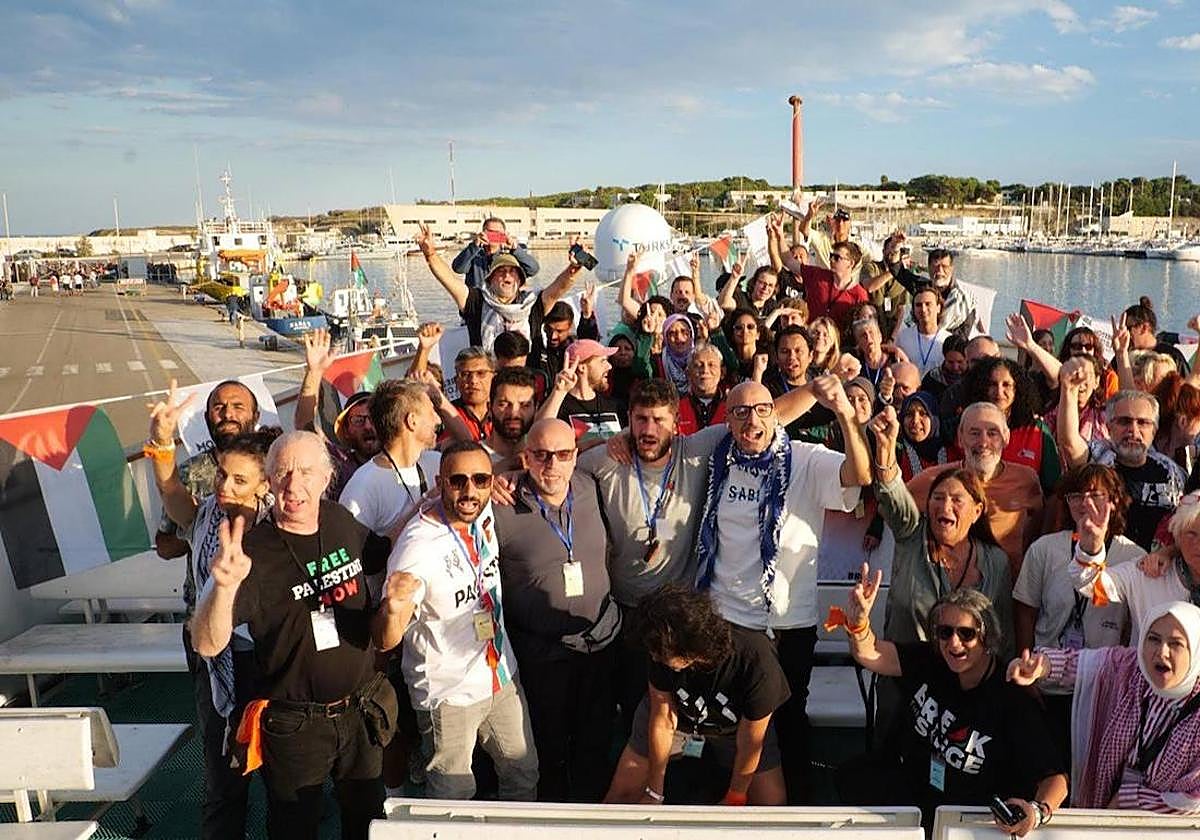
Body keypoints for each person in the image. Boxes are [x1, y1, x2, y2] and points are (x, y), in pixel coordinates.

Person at [191, 431, 395, 840]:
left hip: (359, 712)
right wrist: (223, 588)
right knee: (293, 828)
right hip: (295, 725)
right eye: (282, 473)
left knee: (367, 820)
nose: (293, 484)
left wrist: (428, 509)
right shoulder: (253, 553)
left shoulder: (339, 520)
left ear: (326, 478)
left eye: (305, 472)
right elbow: (206, 642)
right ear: (269, 482)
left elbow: (382, 551)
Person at [695, 377, 871, 800]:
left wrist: (846, 415)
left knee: (788, 720)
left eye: (762, 410)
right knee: (726, 720)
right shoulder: (716, 457)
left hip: (786, 624)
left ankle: (794, 810)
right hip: (726, 620)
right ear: (727, 420)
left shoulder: (806, 459)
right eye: (740, 412)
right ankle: (727, 803)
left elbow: (860, 473)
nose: (751, 421)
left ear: (778, 416)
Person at [147, 383, 277, 840]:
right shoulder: (205, 515)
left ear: (265, 484)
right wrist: (161, 442)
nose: (223, 486)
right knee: (223, 773)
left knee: (282, 769)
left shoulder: (280, 526)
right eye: (222, 475)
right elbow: (172, 493)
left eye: (239, 480)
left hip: (271, 658)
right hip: (218, 659)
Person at [376, 440, 540, 801]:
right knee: (452, 795)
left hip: (500, 677)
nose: (469, 491)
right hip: (448, 693)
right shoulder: (416, 547)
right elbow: (386, 640)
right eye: (457, 481)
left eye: (481, 480)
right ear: (440, 483)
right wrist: (393, 607)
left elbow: (532, 458)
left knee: (523, 774)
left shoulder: (483, 512)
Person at [836, 579, 1068, 833]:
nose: (954, 643)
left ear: (987, 637)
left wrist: (1036, 812)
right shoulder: (931, 660)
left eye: (966, 634)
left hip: (971, 819)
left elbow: (1056, 779)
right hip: (916, 796)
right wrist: (858, 623)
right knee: (850, 778)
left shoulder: (1011, 698)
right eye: (945, 632)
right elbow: (870, 653)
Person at [492, 418, 621, 801]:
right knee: (549, 749)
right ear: (526, 457)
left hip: (599, 645)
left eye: (563, 454)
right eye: (541, 455)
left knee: (595, 744)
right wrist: (498, 477)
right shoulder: (501, 505)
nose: (552, 464)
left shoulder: (590, 486)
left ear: (575, 456)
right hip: (541, 656)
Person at [603, 585, 790, 806]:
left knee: (771, 805)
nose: (654, 658)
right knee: (622, 796)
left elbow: (751, 739)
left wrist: (736, 796)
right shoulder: (660, 650)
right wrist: (654, 792)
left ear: (690, 646)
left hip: (736, 730)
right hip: (676, 720)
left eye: (660, 654)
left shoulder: (756, 661)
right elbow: (663, 719)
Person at [1008, 600, 1200, 812]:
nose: (1162, 652)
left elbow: (1192, 800)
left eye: (1175, 644)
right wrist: (1040, 666)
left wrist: (1129, 799)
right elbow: (1079, 664)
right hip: (1101, 810)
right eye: (1154, 639)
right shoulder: (1129, 668)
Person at [1012, 463, 1138, 755]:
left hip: (1102, 688)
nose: (1085, 503)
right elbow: (1025, 611)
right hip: (1046, 682)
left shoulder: (1133, 556)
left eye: (1096, 495)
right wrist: (1026, 667)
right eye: (1076, 496)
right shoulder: (1045, 549)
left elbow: (1131, 628)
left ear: (1114, 500)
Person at [868, 407, 1013, 649]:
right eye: (938, 498)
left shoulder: (996, 562)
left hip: (968, 672)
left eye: (957, 500)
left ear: (977, 511)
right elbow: (893, 495)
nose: (945, 506)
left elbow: (1002, 639)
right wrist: (885, 448)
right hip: (907, 670)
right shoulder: (912, 537)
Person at [905, 402, 1043, 581]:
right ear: (960, 438)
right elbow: (894, 507)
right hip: (950, 589)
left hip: (1007, 589)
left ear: (1006, 437)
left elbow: (1037, 530)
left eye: (992, 433)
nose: (984, 443)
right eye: (975, 433)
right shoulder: (934, 480)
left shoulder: (1026, 480)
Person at [1057, 379, 1187, 552]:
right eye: (1124, 422)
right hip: (1103, 560)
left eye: (1143, 423)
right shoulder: (1097, 457)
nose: (1133, 430)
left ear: (1154, 430)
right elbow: (1069, 444)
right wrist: (1069, 389)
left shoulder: (1172, 473)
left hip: (1156, 563)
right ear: (1109, 427)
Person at [418, 224, 582, 350]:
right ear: (490, 280)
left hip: (525, 380)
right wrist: (430, 254)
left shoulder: (532, 304)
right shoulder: (476, 301)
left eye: (513, 272)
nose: (507, 276)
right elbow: (449, 279)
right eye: (501, 271)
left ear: (520, 280)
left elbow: (559, 287)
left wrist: (574, 268)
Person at [1072, 491, 1200, 639]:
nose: (1198, 544)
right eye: (1191, 534)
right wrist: (1090, 551)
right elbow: (1091, 585)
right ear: (1177, 536)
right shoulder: (1148, 573)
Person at [293, 329, 383, 499]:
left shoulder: (401, 457)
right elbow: (304, 425)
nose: (368, 426)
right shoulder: (339, 462)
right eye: (358, 420)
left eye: (373, 418)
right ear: (346, 431)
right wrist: (314, 372)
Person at [960, 357, 1061, 495]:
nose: (999, 391)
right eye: (992, 384)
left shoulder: (1036, 430)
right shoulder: (966, 426)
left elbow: (1053, 487)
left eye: (1006, 385)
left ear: (1018, 389)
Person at [535, 340, 625, 443]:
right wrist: (559, 391)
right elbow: (538, 433)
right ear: (582, 367)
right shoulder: (557, 406)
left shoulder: (615, 406)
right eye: (603, 361)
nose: (609, 366)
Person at [450, 216, 539, 289]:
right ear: (482, 233)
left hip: (502, 302)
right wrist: (474, 246)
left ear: (504, 234)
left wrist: (515, 249)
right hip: (478, 302)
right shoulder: (473, 255)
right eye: (489, 232)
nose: (493, 236)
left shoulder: (511, 256)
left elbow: (533, 269)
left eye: (497, 233)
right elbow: (458, 268)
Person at [482, 366, 538, 468]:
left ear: (536, 408)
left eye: (524, 405)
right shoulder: (472, 458)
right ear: (489, 407)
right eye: (504, 404)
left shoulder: (543, 460)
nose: (513, 413)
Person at [894, 286, 951, 378]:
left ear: (938, 308)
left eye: (928, 304)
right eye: (918, 305)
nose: (923, 309)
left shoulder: (947, 340)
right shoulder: (903, 337)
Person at [676, 342, 728, 435]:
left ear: (722, 372)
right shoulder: (676, 407)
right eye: (698, 365)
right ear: (688, 373)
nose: (705, 370)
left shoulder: (731, 406)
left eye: (711, 365)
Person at [655, 313, 695, 395]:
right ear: (666, 338)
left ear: (691, 335)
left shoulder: (700, 358)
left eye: (684, 331)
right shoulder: (659, 362)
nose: (678, 337)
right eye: (672, 333)